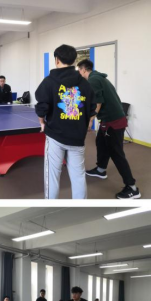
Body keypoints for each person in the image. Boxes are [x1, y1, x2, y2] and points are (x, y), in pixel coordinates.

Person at [36, 44, 96, 199]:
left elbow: (42, 107)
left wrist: (42, 122)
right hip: (77, 137)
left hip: (55, 136)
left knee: (52, 176)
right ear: (74, 61)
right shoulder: (85, 83)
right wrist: (88, 123)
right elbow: (92, 108)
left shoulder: (49, 81)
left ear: (57, 60)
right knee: (78, 176)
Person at [77, 60, 141, 200]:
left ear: (83, 70)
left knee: (116, 153)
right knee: (100, 142)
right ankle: (101, 169)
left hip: (114, 121)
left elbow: (98, 103)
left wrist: (90, 121)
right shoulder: (98, 77)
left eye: (79, 70)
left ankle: (132, 188)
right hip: (107, 120)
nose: (79, 73)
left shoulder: (93, 80)